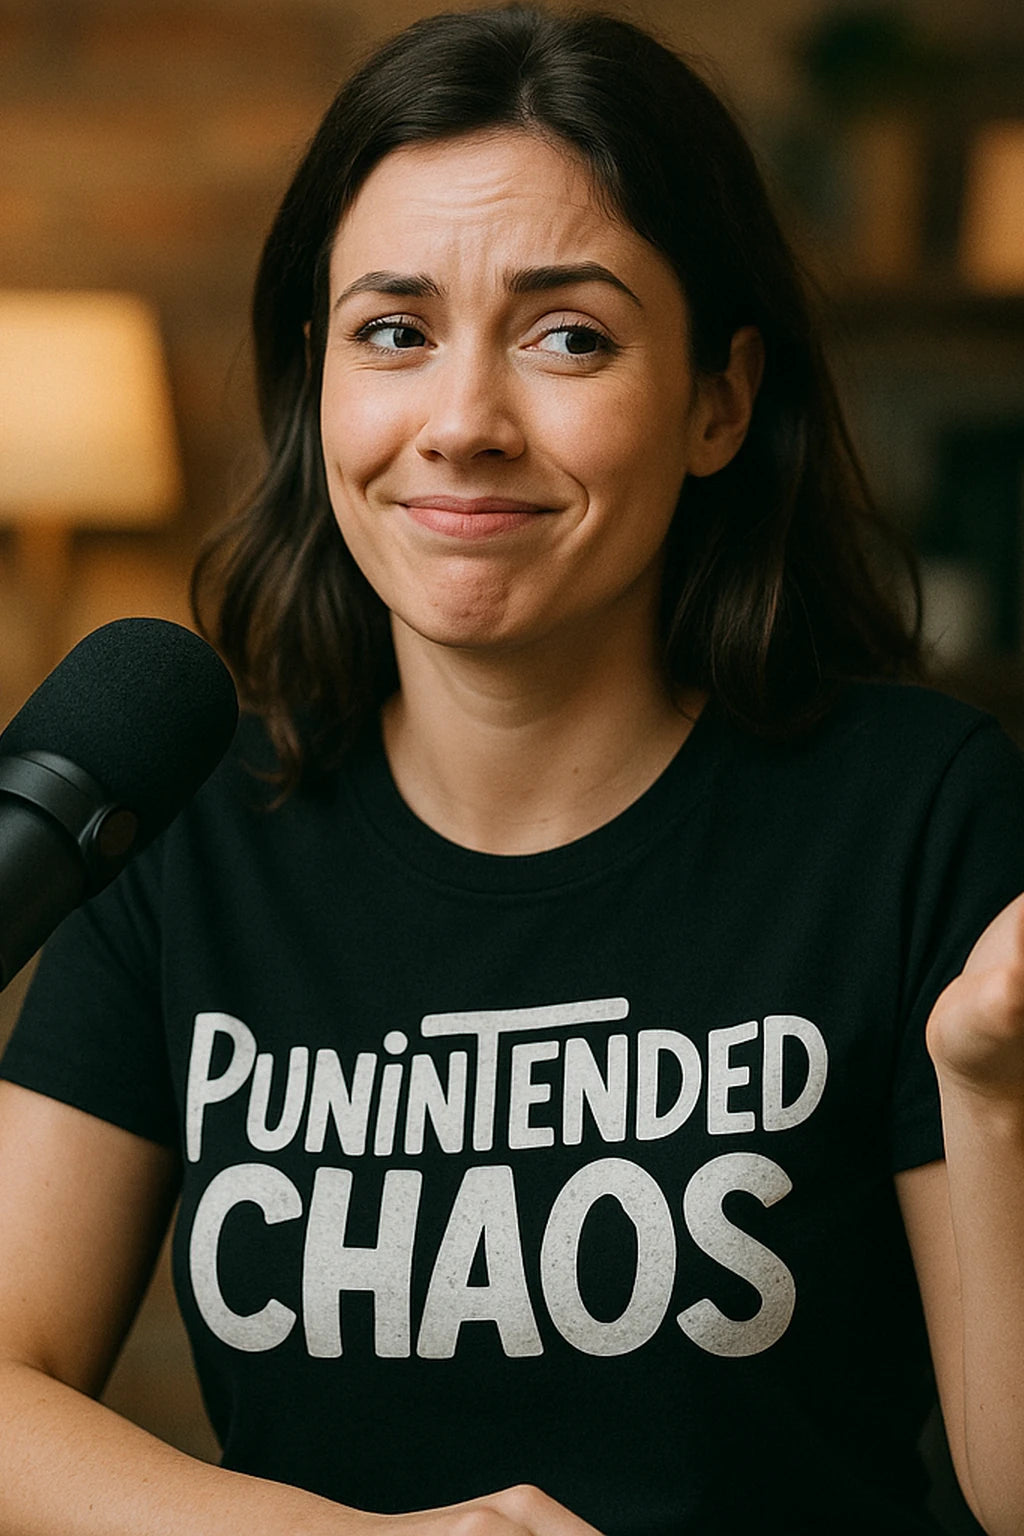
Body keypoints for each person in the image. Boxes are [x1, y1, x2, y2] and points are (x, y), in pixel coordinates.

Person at [1, 5, 1023, 1534]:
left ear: (719, 401)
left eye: (569, 337)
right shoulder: (192, 823)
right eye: (395, 332)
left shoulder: (917, 809)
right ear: (319, 380)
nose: (463, 424)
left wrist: (992, 1101)